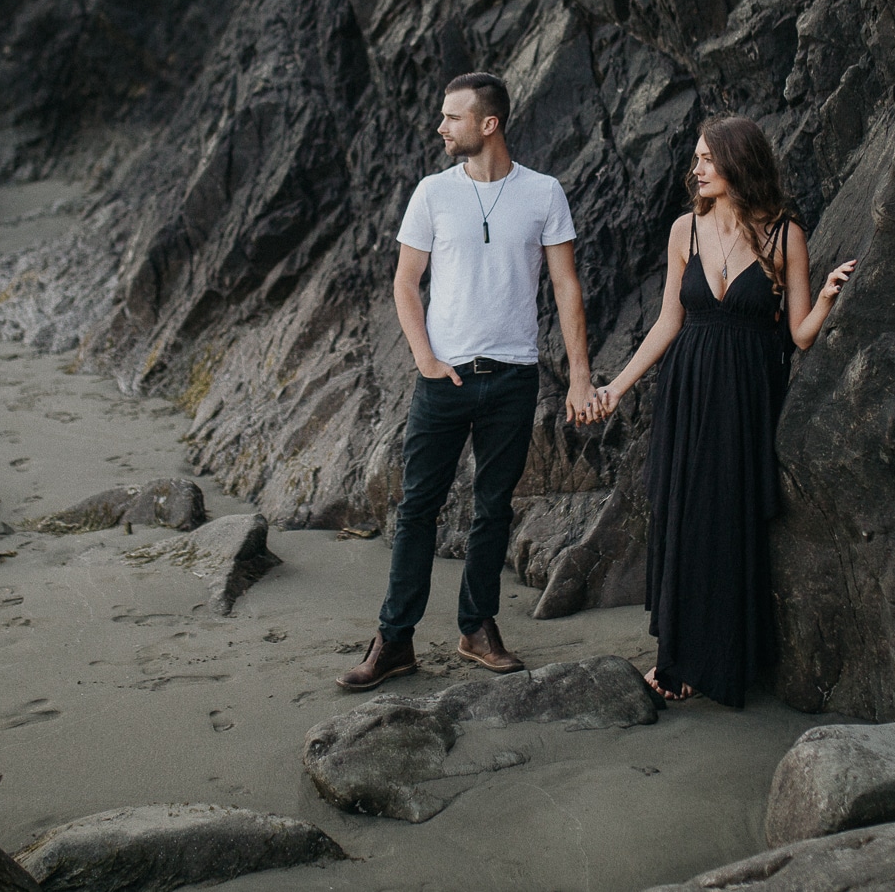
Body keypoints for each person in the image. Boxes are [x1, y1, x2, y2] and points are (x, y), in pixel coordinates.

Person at [337, 72, 599, 690]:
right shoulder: (432, 193)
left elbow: (566, 286)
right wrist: (426, 359)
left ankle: (477, 627)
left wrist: (580, 376)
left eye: (452, 117)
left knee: (492, 509)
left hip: (513, 376)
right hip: (443, 379)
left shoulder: (544, 193)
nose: (441, 127)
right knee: (417, 508)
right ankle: (394, 639)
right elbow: (405, 283)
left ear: (489, 124)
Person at [589, 116, 856, 705]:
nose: (697, 169)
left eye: (708, 159)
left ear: (738, 162)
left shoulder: (786, 235)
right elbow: (667, 322)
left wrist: (830, 295)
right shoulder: (684, 229)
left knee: (727, 519)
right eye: (696, 159)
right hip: (687, 389)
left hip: (746, 395)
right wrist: (618, 387)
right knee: (682, 512)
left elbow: (801, 335)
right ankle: (676, 657)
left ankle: (723, 656)